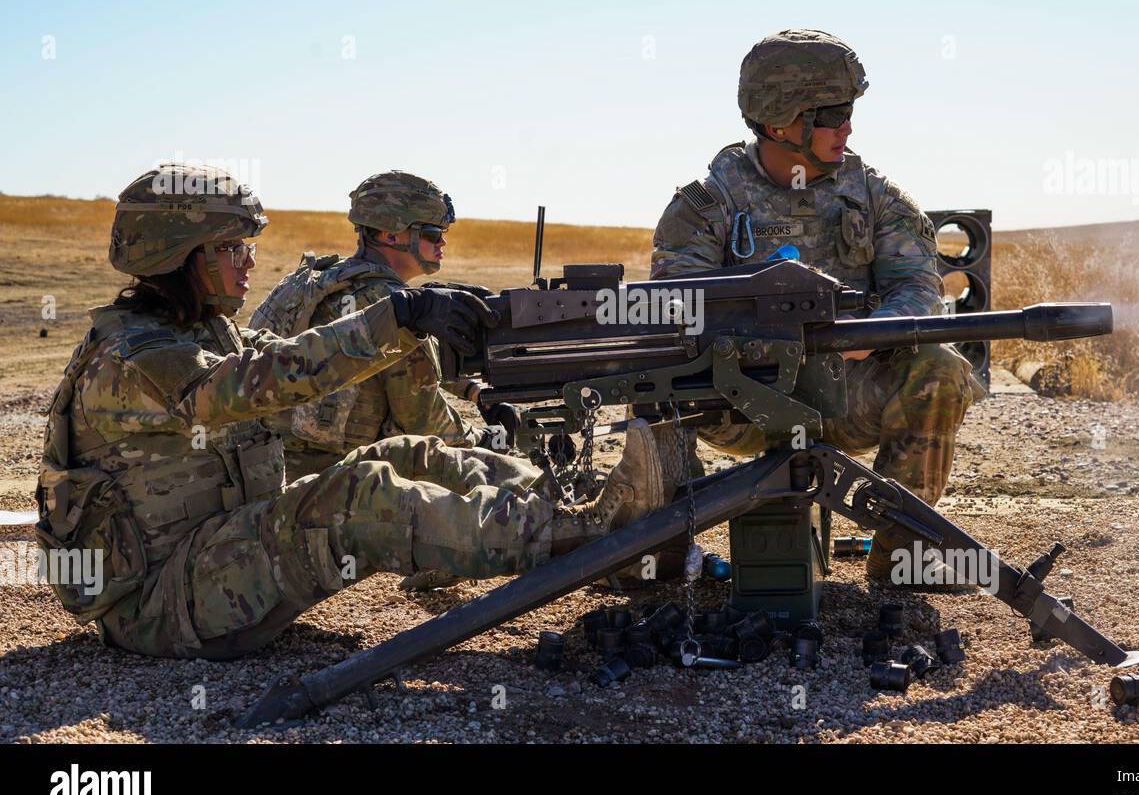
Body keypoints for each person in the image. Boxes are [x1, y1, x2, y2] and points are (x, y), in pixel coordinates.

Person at [34, 162, 666, 659]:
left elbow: (282, 357)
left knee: (405, 455)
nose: (250, 261)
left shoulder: (194, 331)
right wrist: (399, 315)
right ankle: (580, 539)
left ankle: (575, 516)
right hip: (163, 604)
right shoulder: (134, 354)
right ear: (180, 256)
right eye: (231, 248)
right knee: (362, 494)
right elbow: (252, 383)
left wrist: (415, 321)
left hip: (209, 560)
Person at [650, 29, 983, 586]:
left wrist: (872, 334)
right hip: (741, 401)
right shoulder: (706, 206)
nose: (848, 127)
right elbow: (675, 310)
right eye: (832, 113)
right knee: (651, 380)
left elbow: (917, 287)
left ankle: (901, 558)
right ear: (780, 120)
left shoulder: (875, 196)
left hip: (845, 395)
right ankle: (659, 555)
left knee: (940, 369)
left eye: (850, 110)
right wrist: (760, 345)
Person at [249, 170, 520, 484]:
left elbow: (387, 366)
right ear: (391, 235)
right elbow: (423, 419)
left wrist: (474, 393)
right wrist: (486, 441)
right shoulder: (389, 305)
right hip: (334, 483)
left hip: (267, 468)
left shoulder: (313, 281)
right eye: (433, 233)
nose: (443, 242)